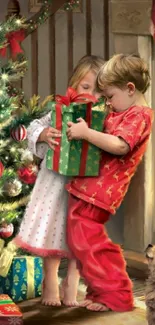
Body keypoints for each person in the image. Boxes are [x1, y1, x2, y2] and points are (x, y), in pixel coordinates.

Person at [14, 55, 105, 307]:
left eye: (99, 91)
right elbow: (32, 128)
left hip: (85, 188)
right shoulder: (59, 110)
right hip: (55, 186)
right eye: (86, 88)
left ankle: (72, 282)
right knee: (54, 234)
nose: (91, 95)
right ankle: (51, 280)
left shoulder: (103, 119)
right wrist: (43, 134)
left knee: (79, 238)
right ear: (74, 85)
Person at [66, 53, 153, 312]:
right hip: (87, 187)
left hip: (101, 192)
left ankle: (117, 294)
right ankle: (98, 290)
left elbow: (119, 145)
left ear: (130, 89)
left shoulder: (140, 115)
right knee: (81, 243)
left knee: (91, 242)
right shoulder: (122, 110)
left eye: (111, 97)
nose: (109, 104)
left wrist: (87, 132)